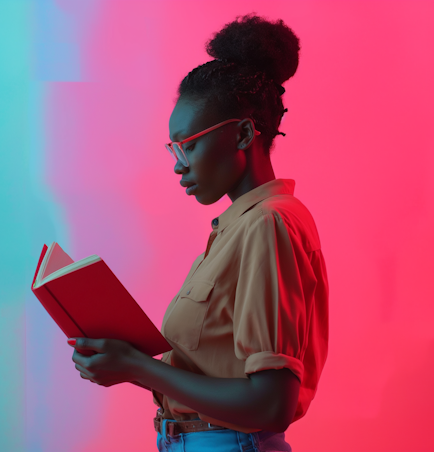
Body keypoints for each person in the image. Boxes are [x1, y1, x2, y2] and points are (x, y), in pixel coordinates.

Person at [67, 13, 329, 452]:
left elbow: (270, 404)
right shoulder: (239, 227)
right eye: (174, 148)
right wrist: (125, 360)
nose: (177, 164)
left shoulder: (269, 224)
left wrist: (136, 367)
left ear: (244, 133)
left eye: (189, 145)